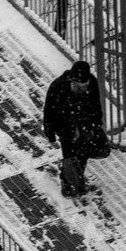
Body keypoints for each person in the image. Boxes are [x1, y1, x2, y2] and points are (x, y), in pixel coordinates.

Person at [43, 58, 108, 196]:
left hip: (85, 123)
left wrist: (96, 125)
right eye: (78, 87)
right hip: (65, 125)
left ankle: (75, 180)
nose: (82, 89)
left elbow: (96, 105)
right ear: (71, 81)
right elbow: (49, 111)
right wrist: (50, 134)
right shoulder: (58, 86)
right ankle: (69, 183)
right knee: (70, 155)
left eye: (84, 86)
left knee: (83, 153)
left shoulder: (92, 83)